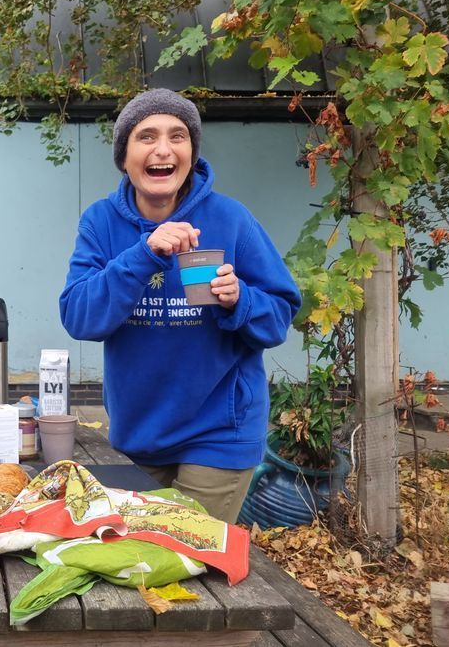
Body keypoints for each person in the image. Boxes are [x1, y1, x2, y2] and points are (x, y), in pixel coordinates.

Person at [59, 89, 301, 524]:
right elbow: (79, 316)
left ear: (191, 150)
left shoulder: (231, 220)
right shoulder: (101, 222)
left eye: (178, 136)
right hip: (139, 432)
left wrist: (240, 300)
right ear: (125, 155)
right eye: (146, 136)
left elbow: (280, 314)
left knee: (181, 559)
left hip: (219, 434)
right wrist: (143, 253)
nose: (163, 149)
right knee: (130, 560)